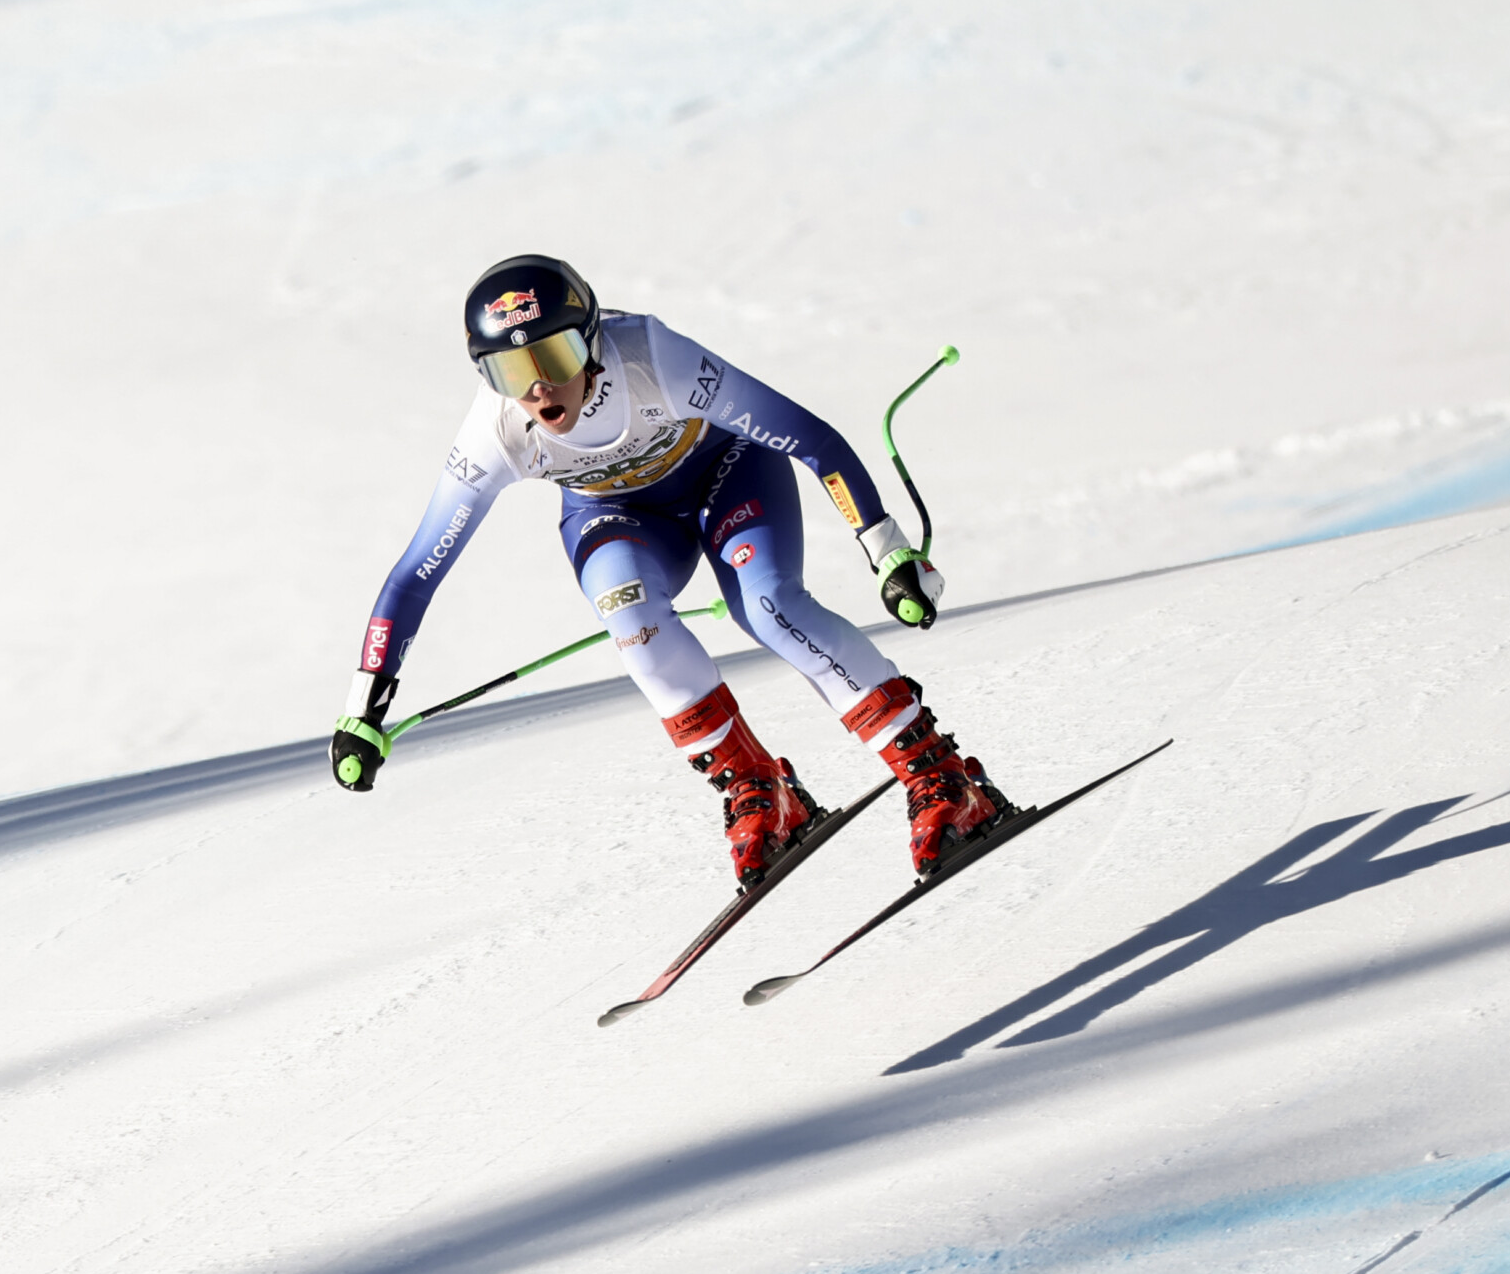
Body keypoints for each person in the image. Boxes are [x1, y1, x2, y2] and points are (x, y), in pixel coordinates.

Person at [329, 254, 1007, 886]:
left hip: (727, 474)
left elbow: (810, 438)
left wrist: (886, 548)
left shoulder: (654, 358)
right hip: (618, 516)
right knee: (632, 622)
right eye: (510, 373)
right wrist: (364, 707)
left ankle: (940, 776)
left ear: (592, 340)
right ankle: (758, 790)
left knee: (769, 606)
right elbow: (416, 571)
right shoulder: (494, 431)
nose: (538, 387)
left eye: (556, 355)